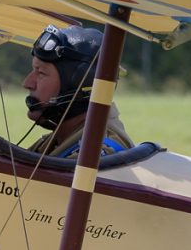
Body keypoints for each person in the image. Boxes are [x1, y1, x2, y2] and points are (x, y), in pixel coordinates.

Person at [23, 24, 133, 158]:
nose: (27, 83)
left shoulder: (94, 155)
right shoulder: (65, 137)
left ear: (79, 84)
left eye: (40, 73)